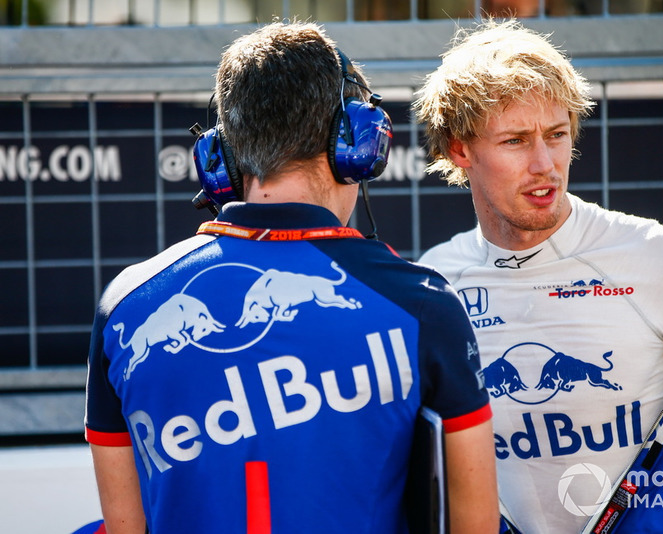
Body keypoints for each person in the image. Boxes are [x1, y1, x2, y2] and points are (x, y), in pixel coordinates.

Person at [84, 21, 499, 534]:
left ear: (220, 157)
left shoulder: (125, 303)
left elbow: (125, 524)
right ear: (359, 145)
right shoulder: (424, 304)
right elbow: (475, 523)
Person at [414, 18, 663, 534]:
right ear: (460, 150)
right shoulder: (432, 287)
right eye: (516, 140)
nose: (545, 164)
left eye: (557, 135)